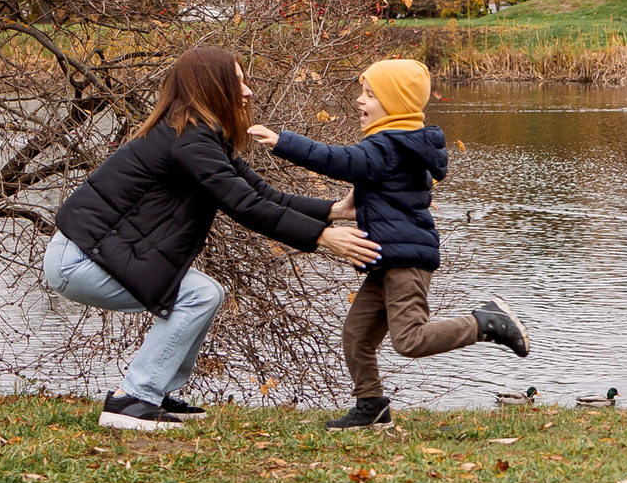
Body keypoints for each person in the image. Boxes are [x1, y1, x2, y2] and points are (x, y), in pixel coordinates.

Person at [45, 46, 380, 431]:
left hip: (92, 255)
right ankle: (134, 397)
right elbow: (245, 206)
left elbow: (262, 195)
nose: (248, 91)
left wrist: (335, 210)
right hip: (79, 261)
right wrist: (323, 237)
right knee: (198, 294)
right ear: (212, 86)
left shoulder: (199, 137)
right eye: (238, 82)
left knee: (207, 291)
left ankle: (154, 392)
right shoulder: (189, 142)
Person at [250, 59, 528, 429]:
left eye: (370, 95)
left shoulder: (388, 146)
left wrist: (284, 142)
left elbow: (340, 160)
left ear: (394, 104)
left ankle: (486, 322)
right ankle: (372, 406)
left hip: (405, 263)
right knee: (357, 335)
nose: (359, 101)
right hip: (387, 258)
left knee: (409, 340)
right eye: (362, 93)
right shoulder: (399, 144)